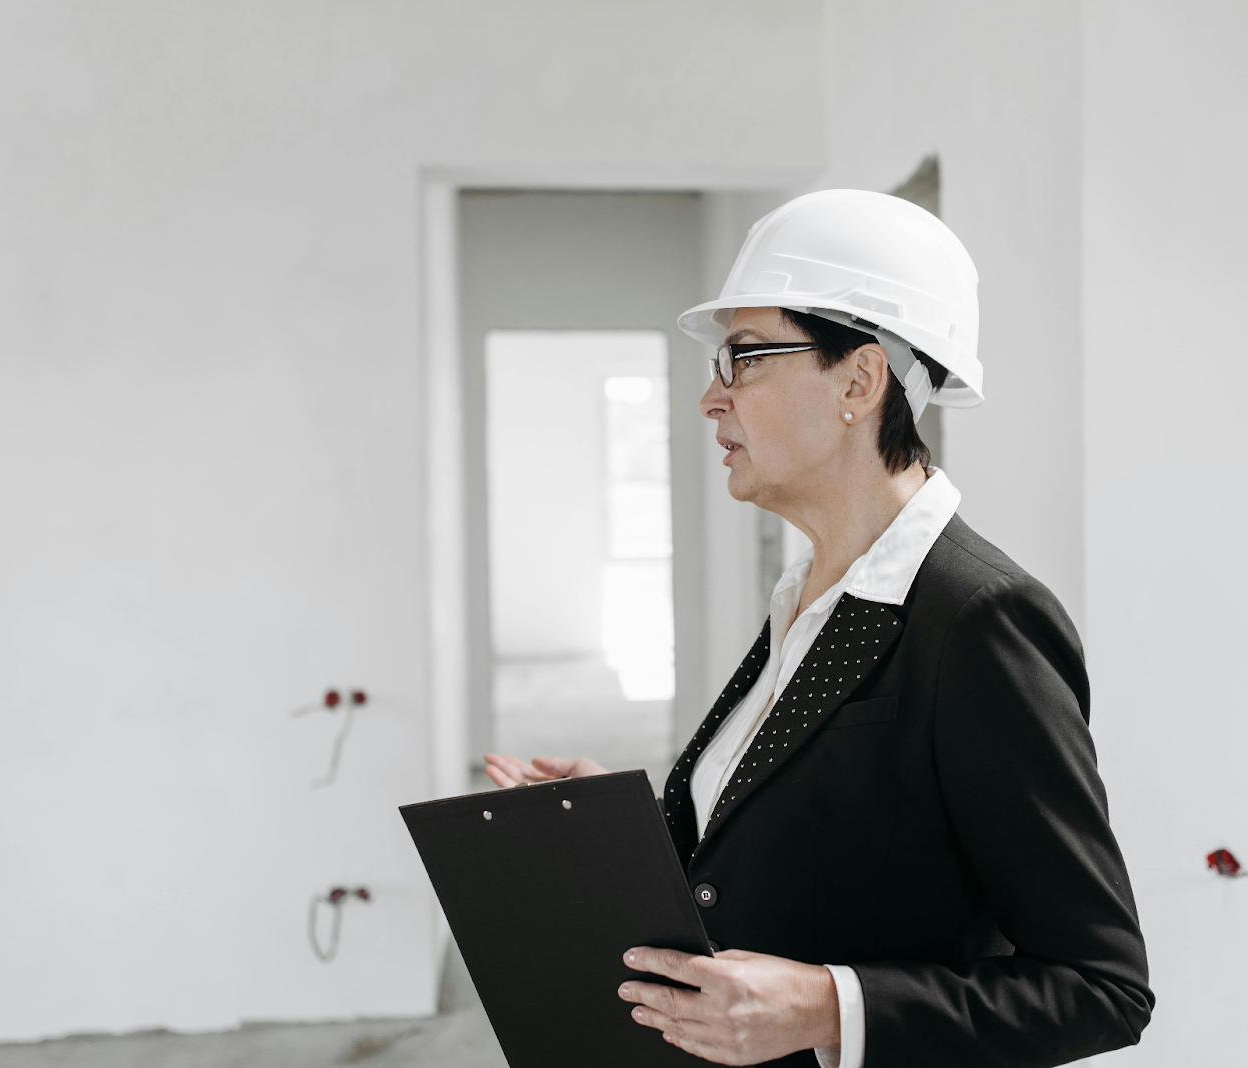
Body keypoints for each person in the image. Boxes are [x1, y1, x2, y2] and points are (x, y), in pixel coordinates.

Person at [484, 189, 1151, 1067]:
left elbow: (1100, 988)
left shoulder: (980, 620)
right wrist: (635, 822)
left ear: (860, 381)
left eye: (744, 358)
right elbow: (829, 829)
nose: (711, 400)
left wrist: (829, 1009)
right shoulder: (810, 592)